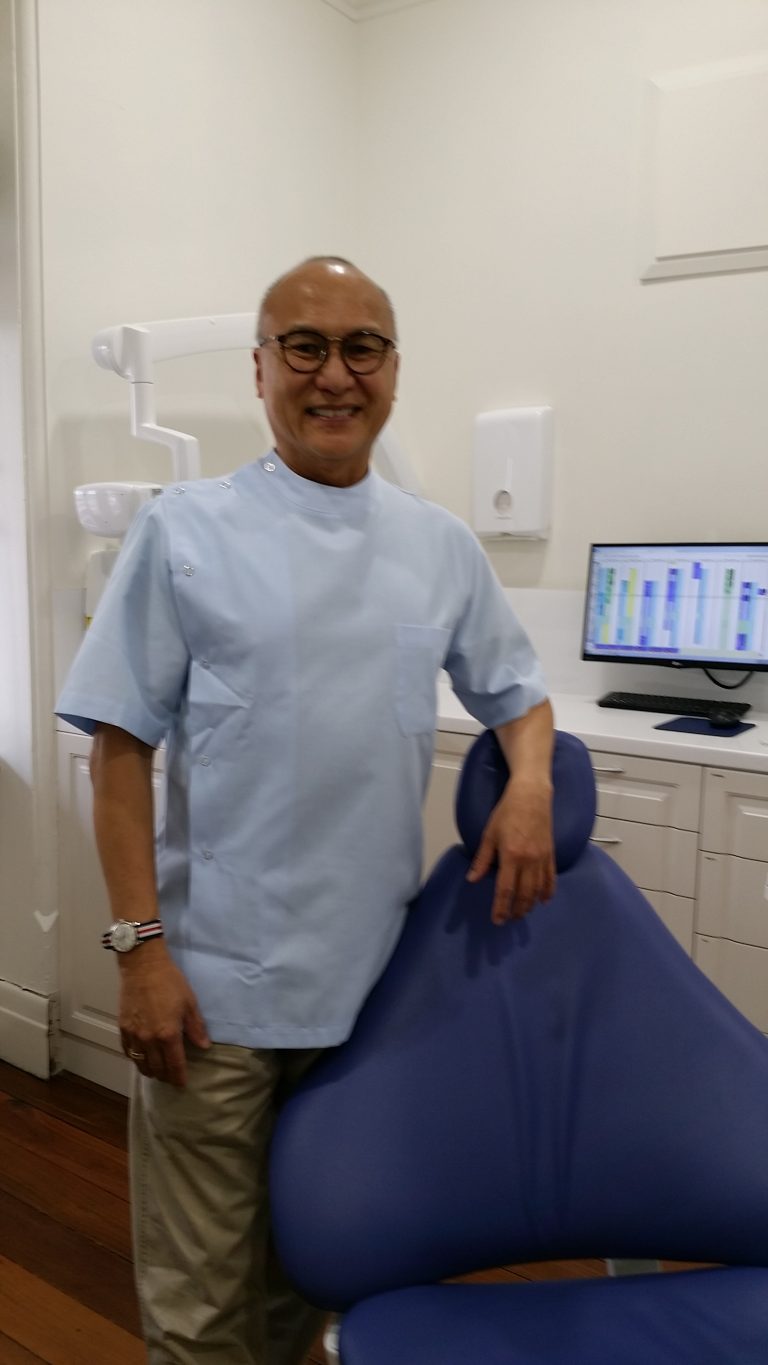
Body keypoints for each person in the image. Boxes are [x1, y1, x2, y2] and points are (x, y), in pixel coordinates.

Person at [56, 256, 556, 1364]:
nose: (335, 375)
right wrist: (140, 951)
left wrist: (530, 782)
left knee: (308, 1277)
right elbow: (120, 750)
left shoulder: (438, 546)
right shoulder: (186, 531)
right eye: (305, 347)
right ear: (261, 370)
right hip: (211, 998)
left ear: (393, 370)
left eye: (361, 348)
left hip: (371, 999)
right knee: (199, 1307)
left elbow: (520, 695)